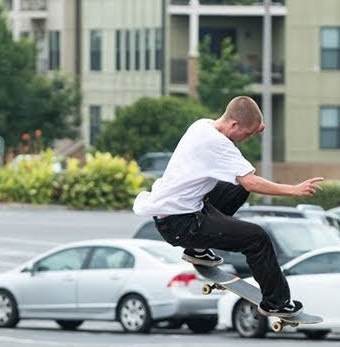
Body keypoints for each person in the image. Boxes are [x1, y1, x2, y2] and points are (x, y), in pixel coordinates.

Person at [133, 96, 324, 317]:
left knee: (238, 187)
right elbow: (251, 181)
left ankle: (197, 249)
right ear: (234, 125)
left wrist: (254, 124)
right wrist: (293, 190)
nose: (247, 138)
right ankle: (277, 302)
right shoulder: (218, 145)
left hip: (177, 214)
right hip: (183, 224)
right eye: (247, 133)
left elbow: (244, 178)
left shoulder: (202, 126)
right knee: (257, 238)